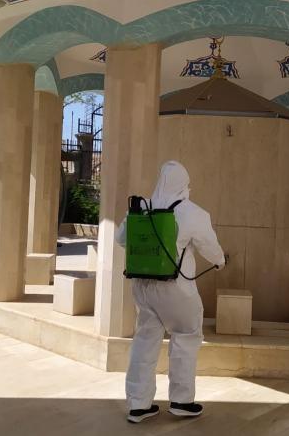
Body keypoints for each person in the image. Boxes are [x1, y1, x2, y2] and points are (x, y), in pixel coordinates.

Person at [116, 160, 226, 424]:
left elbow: (121, 239)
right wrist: (220, 261)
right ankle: (181, 401)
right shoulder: (192, 212)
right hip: (176, 289)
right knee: (186, 336)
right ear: (184, 184)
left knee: (145, 341)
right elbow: (210, 248)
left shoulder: (140, 207)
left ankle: (138, 405)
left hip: (143, 286)